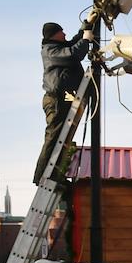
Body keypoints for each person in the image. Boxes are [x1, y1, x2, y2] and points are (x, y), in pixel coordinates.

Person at [36, 15, 96, 185]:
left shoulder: (58, 47)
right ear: (54, 35)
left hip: (62, 99)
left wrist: (87, 25)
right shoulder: (50, 51)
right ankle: (42, 176)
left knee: (62, 138)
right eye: (61, 32)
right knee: (54, 137)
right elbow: (73, 54)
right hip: (55, 100)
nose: (64, 34)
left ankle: (55, 174)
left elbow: (73, 43)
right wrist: (86, 40)